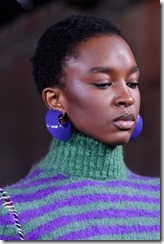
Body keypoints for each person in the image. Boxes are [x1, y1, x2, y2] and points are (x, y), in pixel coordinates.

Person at [0, 13, 160, 241]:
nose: (127, 97)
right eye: (104, 83)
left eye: (133, 83)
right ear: (56, 99)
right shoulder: (13, 215)